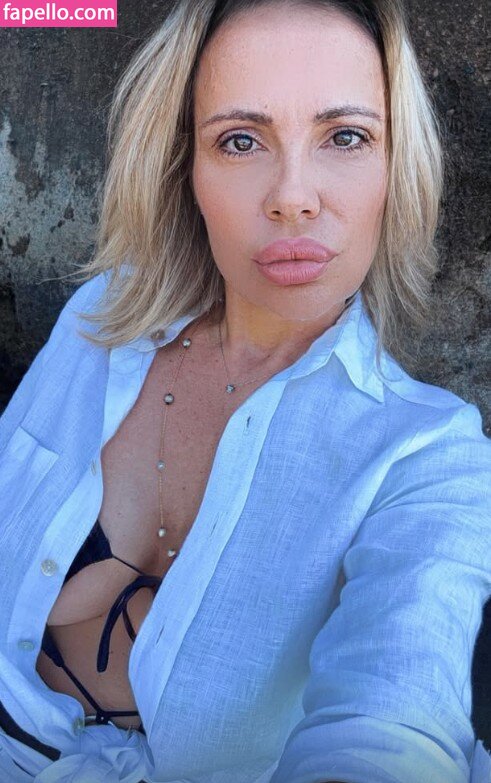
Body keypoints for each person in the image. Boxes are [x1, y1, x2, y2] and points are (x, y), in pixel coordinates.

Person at [0, 0, 490, 781]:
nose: (292, 196)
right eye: (239, 140)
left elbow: (393, 720)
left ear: (395, 169)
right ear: (185, 171)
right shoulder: (100, 319)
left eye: (345, 136)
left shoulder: (429, 455)